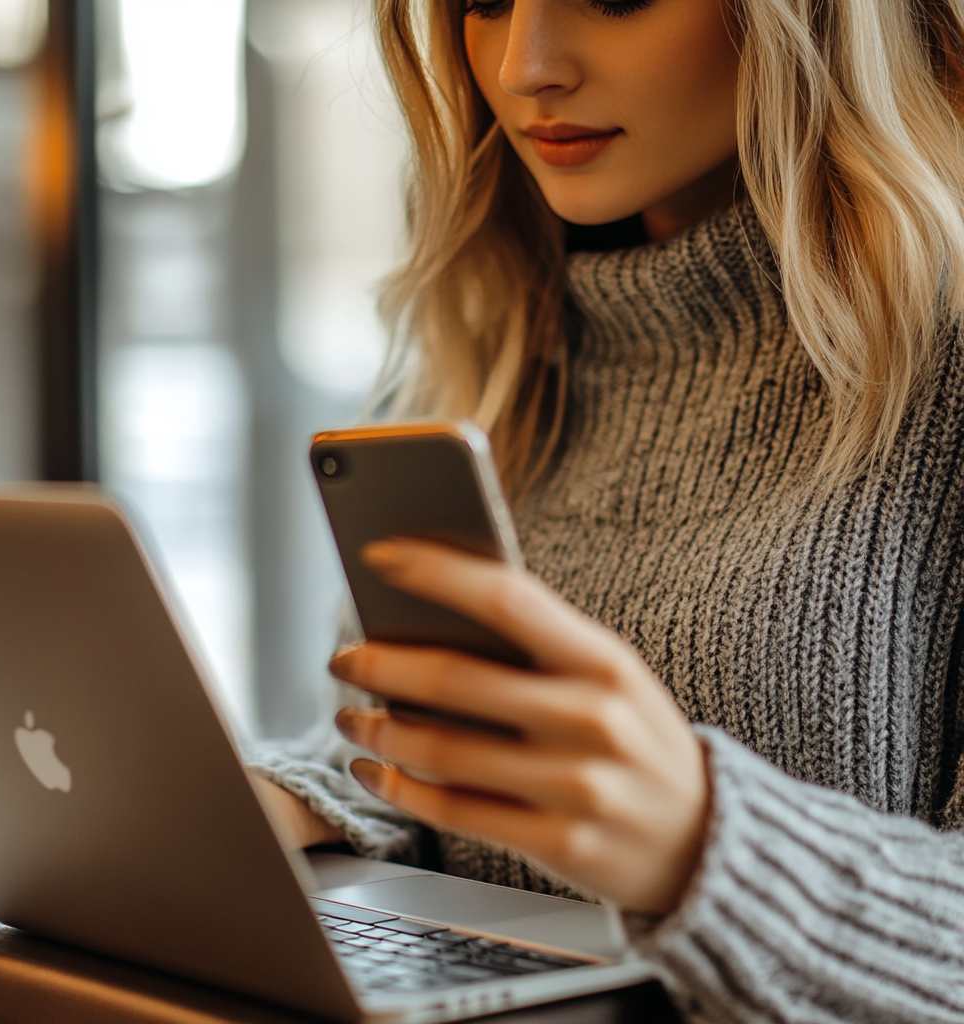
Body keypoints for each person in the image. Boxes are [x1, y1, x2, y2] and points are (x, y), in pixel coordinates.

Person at [250, 0, 964, 1019]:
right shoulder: (494, 346)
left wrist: (704, 845)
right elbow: (437, 762)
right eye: (486, 2)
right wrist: (295, 797)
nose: (523, 65)